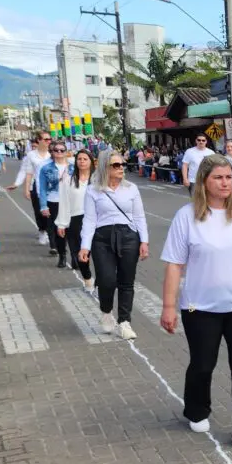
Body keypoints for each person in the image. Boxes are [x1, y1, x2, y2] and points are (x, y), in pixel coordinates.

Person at [161, 155, 232, 449]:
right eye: (218, 178)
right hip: (200, 307)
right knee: (202, 364)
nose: (225, 183)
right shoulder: (186, 217)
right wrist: (169, 306)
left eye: (229, 177)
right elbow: (174, 265)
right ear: (204, 182)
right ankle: (197, 409)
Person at [79, 151, 149, 340]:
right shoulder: (93, 190)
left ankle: (125, 322)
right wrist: (85, 246)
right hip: (102, 238)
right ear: (105, 168)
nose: (121, 168)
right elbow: (89, 220)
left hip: (128, 237)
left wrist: (144, 241)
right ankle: (106, 311)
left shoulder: (131, 188)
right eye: (116, 165)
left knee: (126, 281)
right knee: (107, 279)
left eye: (122, 164)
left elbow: (140, 216)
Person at [55, 149, 96, 290]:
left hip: (96, 220)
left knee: (99, 252)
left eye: (85, 159)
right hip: (76, 219)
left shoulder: (98, 180)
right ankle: (88, 278)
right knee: (80, 252)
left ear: (91, 161)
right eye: (79, 159)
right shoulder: (68, 180)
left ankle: (103, 279)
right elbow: (64, 202)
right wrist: (62, 224)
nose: (82, 161)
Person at [7, 130, 53, 245]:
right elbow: (26, 171)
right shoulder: (31, 155)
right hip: (36, 188)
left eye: (49, 139)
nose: (48, 141)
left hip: (51, 189)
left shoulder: (52, 154)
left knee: (52, 212)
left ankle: (51, 234)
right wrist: (20, 185)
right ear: (39, 140)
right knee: (39, 212)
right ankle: (42, 231)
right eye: (46, 139)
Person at [37, 139, 73, 268]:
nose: (58, 152)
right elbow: (42, 188)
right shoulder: (45, 168)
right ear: (51, 152)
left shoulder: (73, 166)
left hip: (71, 201)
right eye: (56, 150)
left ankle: (74, 256)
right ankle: (62, 255)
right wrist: (43, 205)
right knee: (59, 230)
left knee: (73, 230)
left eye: (61, 150)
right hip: (54, 201)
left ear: (65, 152)